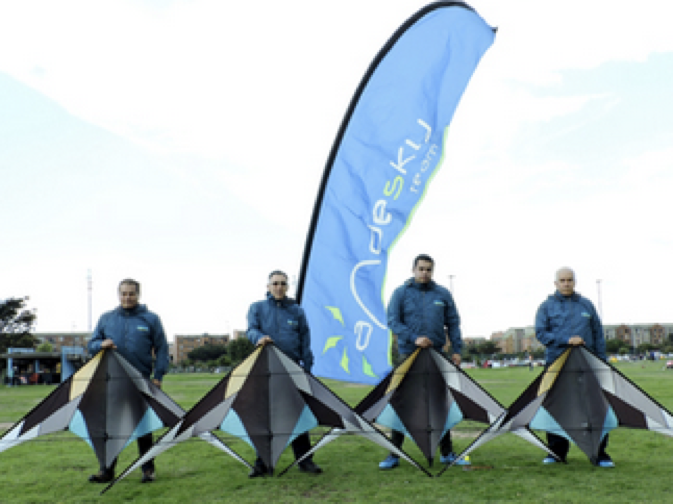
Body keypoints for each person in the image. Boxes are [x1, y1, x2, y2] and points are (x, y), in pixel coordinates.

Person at [379, 254, 468, 469]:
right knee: (403, 403)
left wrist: (457, 349)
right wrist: (414, 338)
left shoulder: (442, 294)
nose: (425, 273)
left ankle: (446, 452)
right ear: (413, 269)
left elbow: (453, 323)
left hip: (436, 355)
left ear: (432, 271)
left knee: (440, 403)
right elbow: (393, 321)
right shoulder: (401, 293)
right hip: (409, 355)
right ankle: (394, 454)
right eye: (421, 269)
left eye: (428, 269)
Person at [87, 279, 169, 483]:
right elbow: (91, 345)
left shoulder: (151, 319)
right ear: (118, 295)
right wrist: (101, 344)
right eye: (123, 293)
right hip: (113, 381)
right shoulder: (107, 318)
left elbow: (162, 349)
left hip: (141, 381)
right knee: (111, 428)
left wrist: (158, 376)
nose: (127, 297)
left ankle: (148, 470)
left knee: (144, 427)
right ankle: (106, 470)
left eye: (131, 294)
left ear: (138, 295)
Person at [246, 270, 322, 477]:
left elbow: (305, 340)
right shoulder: (257, 308)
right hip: (267, 370)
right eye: (275, 283)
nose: (279, 287)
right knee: (266, 417)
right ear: (268, 286)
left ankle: (305, 460)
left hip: (292, 369)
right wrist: (259, 337)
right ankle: (262, 463)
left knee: (298, 415)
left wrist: (307, 368)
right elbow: (250, 329)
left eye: (283, 283)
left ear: (287, 287)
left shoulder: (296, 311)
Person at [535, 267, 614, 468]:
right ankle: (556, 452)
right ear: (556, 283)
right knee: (557, 408)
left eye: (569, 280)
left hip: (587, 364)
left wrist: (601, 362)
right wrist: (566, 339)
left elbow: (598, 334)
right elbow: (541, 333)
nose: (566, 283)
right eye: (562, 280)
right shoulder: (546, 307)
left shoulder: (586, 305)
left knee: (595, 408)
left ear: (574, 282)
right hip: (558, 364)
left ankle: (600, 453)